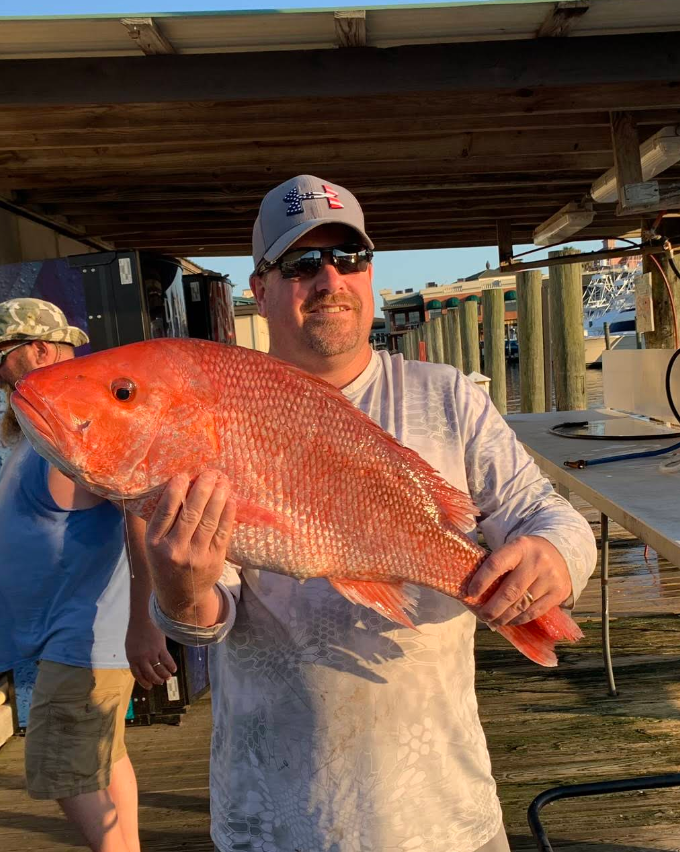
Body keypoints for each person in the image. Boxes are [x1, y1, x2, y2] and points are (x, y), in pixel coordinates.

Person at [135, 176, 597, 852]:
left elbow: (545, 513)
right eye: (301, 263)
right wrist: (179, 590)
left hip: (444, 814)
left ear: (369, 272)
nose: (330, 279)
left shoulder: (447, 397)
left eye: (349, 258)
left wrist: (553, 557)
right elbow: (208, 621)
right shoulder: (219, 411)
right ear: (260, 286)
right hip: (276, 818)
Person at [0, 298, 174, 852]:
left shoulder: (79, 422)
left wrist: (146, 623)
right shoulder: (37, 429)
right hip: (69, 639)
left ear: (38, 350)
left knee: (62, 769)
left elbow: (140, 514)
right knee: (103, 757)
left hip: (83, 642)